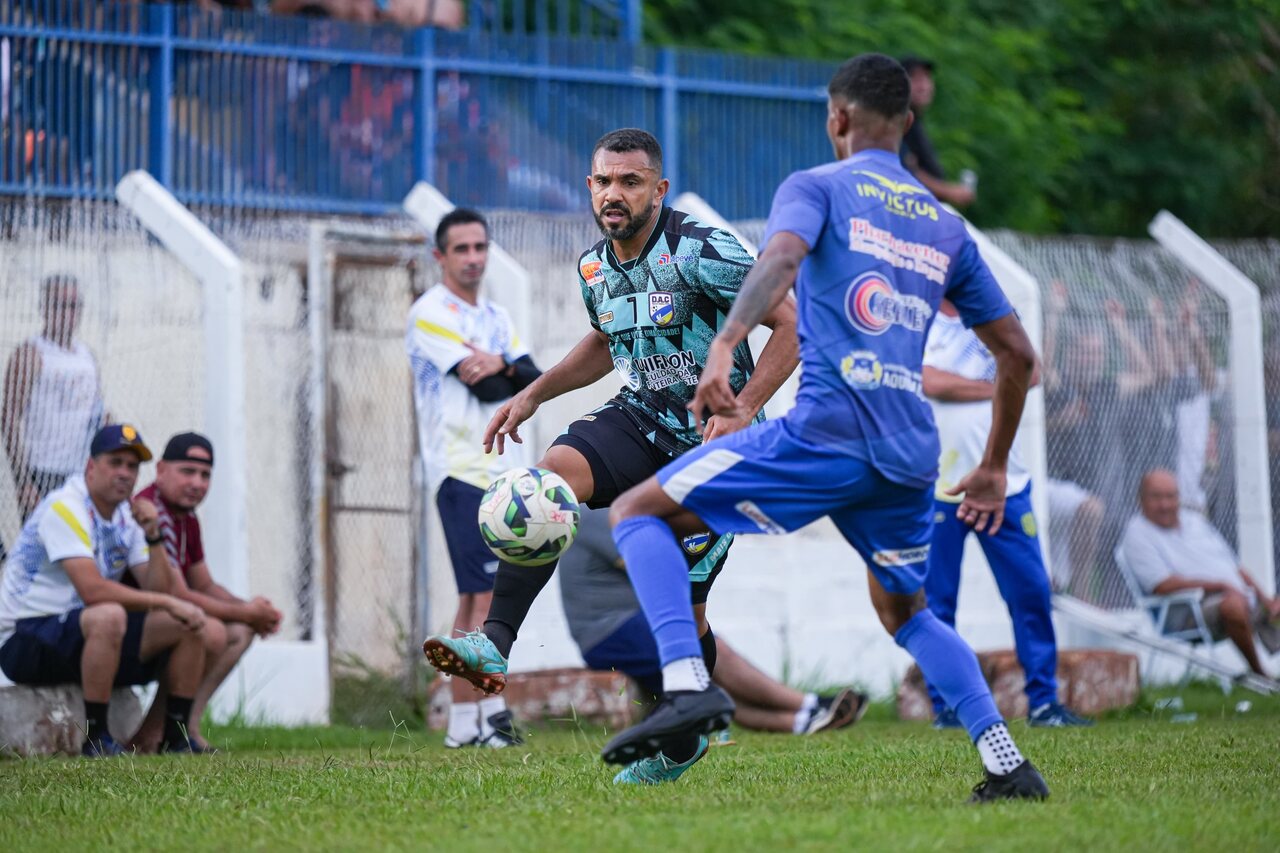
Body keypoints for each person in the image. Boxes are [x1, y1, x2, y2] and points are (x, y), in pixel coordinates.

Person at [603, 54, 1048, 802]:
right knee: (906, 612)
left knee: (635, 510)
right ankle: (1007, 761)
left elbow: (780, 256)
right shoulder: (945, 224)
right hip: (909, 451)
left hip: (828, 431)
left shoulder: (816, 186)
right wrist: (996, 464)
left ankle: (685, 686)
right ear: (907, 124)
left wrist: (724, 344)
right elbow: (1019, 356)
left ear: (837, 119)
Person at [422, 127, 800, 785]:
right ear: (590, 186)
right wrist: (535, 394)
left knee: (685, 616)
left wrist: (742, 407)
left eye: (630, 181)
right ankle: (494, 643)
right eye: (603, 181)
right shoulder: (595, 266)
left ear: (658, 189)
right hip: (639, 418)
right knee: (546, 483)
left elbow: (793, 325)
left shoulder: (703, 249)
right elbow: (605, 340)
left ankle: (683, 740)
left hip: (712, 443)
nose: (613, 193)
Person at [407, 207, 542, 749]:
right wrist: (507, 371)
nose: (473, 258)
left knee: (472, 601)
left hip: (500, 471)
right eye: (461, 249)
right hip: (458, 470)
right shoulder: (429, 314)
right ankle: (495, 718)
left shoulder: (497, 317)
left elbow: (533, 379)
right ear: (439, 257)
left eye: (480, 247)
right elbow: (493, 391)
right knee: (487, 594)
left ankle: (464, 727)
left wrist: (506, 367)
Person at [922, 300, 1091, 728]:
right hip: (937, 486)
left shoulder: (996, 312)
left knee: (1031, 592)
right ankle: (946, 708)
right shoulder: (914, 311)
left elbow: (1031, 371)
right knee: (936, 603)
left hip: (1005, 485)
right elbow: (927, 380)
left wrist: (1001, 380)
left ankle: (1044, 703)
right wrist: (998, 386)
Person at [561, 507, 867, 739]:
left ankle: (806, 721)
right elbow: (654, 565)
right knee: (707, 647)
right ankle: (808, 703)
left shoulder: (614, 507)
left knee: (711, 685)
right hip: (610, 630)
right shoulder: (598, 511)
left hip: (621, 626)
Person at [0, 425, 212, 756]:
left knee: (190, 626)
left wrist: (154, 535)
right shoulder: (64, 506)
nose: (125, 474)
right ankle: (97, 738)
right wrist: (170, 602)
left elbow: (156, 587)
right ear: (90, 467)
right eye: (115, 463)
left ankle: (174, 737)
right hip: (25, 637)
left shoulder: (129, 517)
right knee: (109, 614)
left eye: (132, 466)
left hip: (78, 632)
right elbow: (93, 591)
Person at [127, 432, 283, 752]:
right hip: (130, 626)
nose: (197, 483)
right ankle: (154, 734)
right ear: (160, 470)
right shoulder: (151, 510)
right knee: (209, 630)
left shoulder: (187, 518)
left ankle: (188, 728)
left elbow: (205, 584)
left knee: (239, 630)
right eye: (187, 471)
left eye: (205, 475)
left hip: (161, 624)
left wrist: (252, 610)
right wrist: (249, 612)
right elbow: (180, 595)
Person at [1119, 469, 1280, 679]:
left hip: (1238, 598)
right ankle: (1261, 675)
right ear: (1141, 499)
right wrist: (1219, 586)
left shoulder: (1194, 522)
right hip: (1186, 612)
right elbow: (1161, 586)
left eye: (1170, 496)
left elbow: (1235, 568)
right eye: (1156, 497)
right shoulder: (1137, 534)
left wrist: (1268, 601)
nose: (1165, 504)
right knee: (1232, 605)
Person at [2, 274, 106, 520]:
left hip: (82, 473)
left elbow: (96, 412)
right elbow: (8, 418)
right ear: (44, 308)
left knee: (82, 550)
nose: (67, 313)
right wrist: (24, 482)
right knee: (46, 552)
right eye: (59, 304)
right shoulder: (31, 353)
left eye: (73, 305)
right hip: (43, 472)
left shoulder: (86, 356)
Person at [898, 56, 975, 209]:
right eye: (915, 79)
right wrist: (950, 191)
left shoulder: (914, 120)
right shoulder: (897, 119)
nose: (924, 86)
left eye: (927, 78)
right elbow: (904, 169)